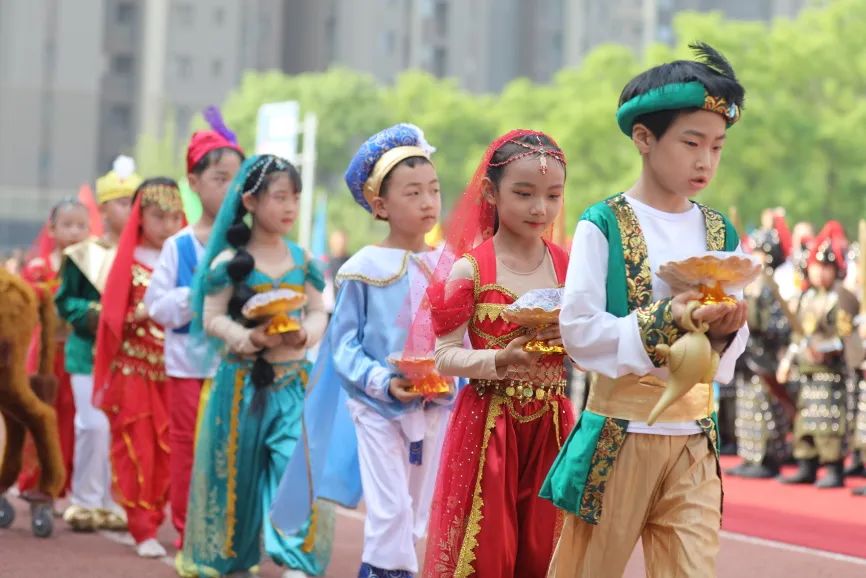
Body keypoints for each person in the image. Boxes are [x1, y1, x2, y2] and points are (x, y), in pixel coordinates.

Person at [541, 43, 749, 577]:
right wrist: (667, 317)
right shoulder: (602, 223)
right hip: (620, 434)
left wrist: (729, 329)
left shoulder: (721, 230)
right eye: (691, 142)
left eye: (718, 146)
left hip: (694, 441)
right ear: (644, 138)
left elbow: (726, 348)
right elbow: (580, 333)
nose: (705, 160)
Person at [272, 124, 452, 578]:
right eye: (413, 193)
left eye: (433, 190)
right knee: (388, 507)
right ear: (380, 205)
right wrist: (384, 382)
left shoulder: (449, 265)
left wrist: (455, 374)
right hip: (375, 406)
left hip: (436, 402)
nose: (428, 202)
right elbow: (343, 344)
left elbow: (457, 333)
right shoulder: (361, 268)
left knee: (417, 510)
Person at [419, 129, 574, 577]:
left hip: (553, 423)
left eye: (553, 195)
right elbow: (443, 356)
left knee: (547, 545)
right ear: (491, 191)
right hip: (490, 423)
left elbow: (588, 351)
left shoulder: (569, 266)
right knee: (488, 547)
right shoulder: (470, 268)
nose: (539, 208)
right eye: (524, 194)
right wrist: (499, 362)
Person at [180, 154, 332, 578]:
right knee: (237, 478)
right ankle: (232, 556)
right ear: (249, 201)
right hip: (241, 385)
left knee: (293, 470)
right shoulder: (228, 262)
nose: (289, 208)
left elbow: (320, 312)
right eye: (280, 197)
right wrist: (249, 339)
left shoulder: (302, 260)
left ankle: (294, 560)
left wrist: (305, 334)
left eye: (295, 198)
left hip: (292, 383)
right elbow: (210, 319)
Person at [143, 107, 244, 545]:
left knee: (234, 450)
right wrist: (198, 291)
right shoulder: (177, 245)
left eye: (238, 179)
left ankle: (228, 532)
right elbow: (156, 307)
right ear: (194, 181)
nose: (230, 188)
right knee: (187, 449)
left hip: (237, 363)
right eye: (219, 178)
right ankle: (188, 532)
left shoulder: (251, 243)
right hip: (188, 365)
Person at [93, 178, 185, 557]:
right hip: (135, 372)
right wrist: (147, 310)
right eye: (157, 216)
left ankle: (182, 526)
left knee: (175, 453)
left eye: (173, 216)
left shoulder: (184, 256)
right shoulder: (128, 262)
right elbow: (113, 319)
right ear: (140, 217)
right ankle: (143, 527)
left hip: (178, 369)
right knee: (139, 450)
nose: (166, 224)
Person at [56, 156, 140, 532]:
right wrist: (91, 312)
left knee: (123, 429)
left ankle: (115, 500)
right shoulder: (83, 254)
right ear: (104, 208)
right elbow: (65, 301)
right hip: (86, 354)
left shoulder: (145, 255)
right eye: (123, 202)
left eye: (133, 203)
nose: (130, 210)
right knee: (91, 425)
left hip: (129, 356)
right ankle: (84, 499)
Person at [16, 199, 91, 499]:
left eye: (81, 226)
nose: (74, 232)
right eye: (68, 225)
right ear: (52, 229)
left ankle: (66, 484)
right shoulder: (38, 268)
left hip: (77, 353)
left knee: (72, 420)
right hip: (44, 356)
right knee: (39, 415)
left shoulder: (91, 268)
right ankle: (34, 480)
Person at [777, 221, 859, 489]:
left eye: (827, 267)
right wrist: (788, 361)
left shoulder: (841, 298)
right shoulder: (804, 298)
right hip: (806, 372)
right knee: (805, 423)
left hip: (831, 373)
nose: (821, 272)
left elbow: (846, 336)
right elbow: (797, 337)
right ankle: (807, 465)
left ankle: (833, 467)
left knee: (830, 423)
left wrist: (824, 350)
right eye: (817, 267)